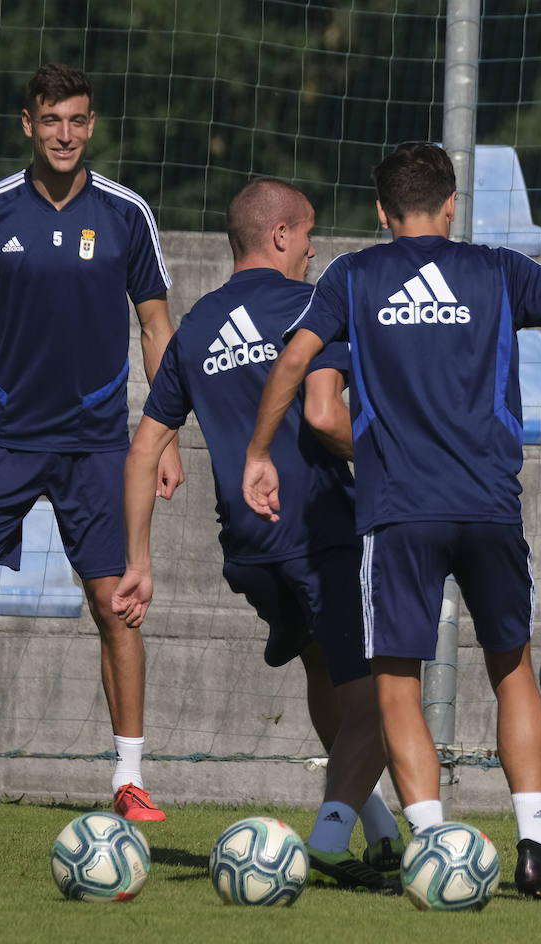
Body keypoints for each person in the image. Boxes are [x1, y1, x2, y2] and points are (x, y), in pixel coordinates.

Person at [242, 141, 541, 900]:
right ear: (450, 204)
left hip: (398, 510)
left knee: (398, 681)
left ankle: (434, 845)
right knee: (512, 668)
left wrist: (259, 453)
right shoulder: (497, 269)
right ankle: (533, 846)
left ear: (380, 211)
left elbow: (296, 363)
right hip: (490, 506)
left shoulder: (352, 277)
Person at [0, 64, 180, 819]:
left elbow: (158, 328)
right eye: (51, 120)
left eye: (78, 121)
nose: (65, 134)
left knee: (113, 604)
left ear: (92, 126)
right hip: (1, 437)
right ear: (28, 123)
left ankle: (130, 779)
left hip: (97, 446)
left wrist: (166, 435)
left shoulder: (126, 213)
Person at [110, 178, 403, 892]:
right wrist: (401, 467)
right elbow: (329, 417)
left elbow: (146, 447)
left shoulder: (197, 327)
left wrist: (139, 560)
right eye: (306, 234)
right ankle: (333, 841)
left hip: (248, 552)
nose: (312, 249)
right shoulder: (313, 306)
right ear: (279, 236)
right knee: (379, 694)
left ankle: (384, 828)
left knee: (321, 669)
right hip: (322, 533)